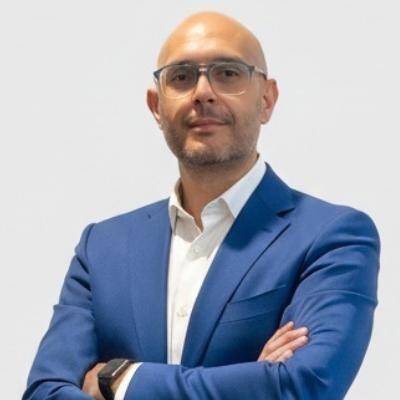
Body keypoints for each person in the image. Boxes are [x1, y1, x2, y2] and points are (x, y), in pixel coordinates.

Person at [22, 11, 380, 400]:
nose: (203, 92)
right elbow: (45, 391)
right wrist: (253, 381)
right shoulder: (102, 247)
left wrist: (120, 380)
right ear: (156, 106)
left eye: (227, 73)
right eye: (181, 76)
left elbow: (302, 386)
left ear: (267, 100)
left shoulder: (332, 237)